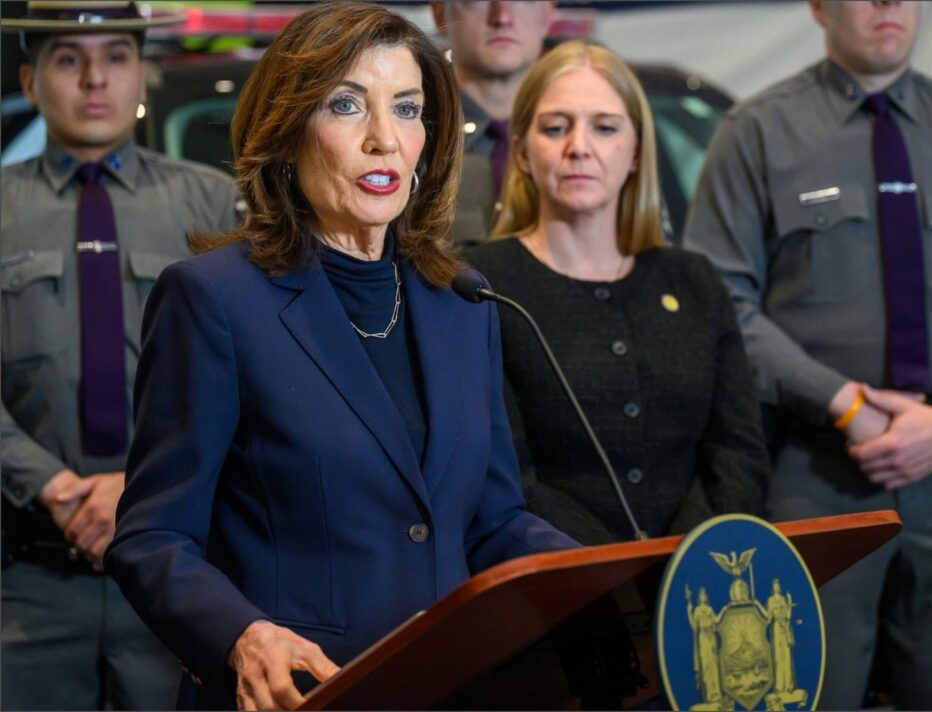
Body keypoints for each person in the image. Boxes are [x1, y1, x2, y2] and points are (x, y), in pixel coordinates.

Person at [103, 4, 577, 710]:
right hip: (303, 693)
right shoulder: (214, 300)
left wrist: (594, 575)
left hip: (450, 687)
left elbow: (491, 522)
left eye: (408, 109)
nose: (384, 139)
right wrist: (241, 635)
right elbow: (152, 539)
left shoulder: (461, 303)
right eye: (347, 105)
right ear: (289, 129)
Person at [682, 2, 932, 709]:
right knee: (802, 691)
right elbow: (721, 301)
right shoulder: (757, 133)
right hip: (814, 471)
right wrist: (844, 404)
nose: (888, 4)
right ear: (819, 8)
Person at [0, 2, 241, 709]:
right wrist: (51, 485)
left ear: (143, 75)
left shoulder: (213, 207)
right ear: (32, 80)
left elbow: (246, 378)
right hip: (26, 583)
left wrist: (135, 487)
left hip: (180, 578)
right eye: (69, 60)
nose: (94, 80)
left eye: (115, 57)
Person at [466, 40, 768, 546]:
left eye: (604, 127)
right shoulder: (481, 287)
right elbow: (508, 477)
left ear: (635, 152)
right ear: (521, 151)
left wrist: (684, 562)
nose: (579, 147)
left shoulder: (693, 281)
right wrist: (618, 572)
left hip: (695, 592)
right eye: (556, 127)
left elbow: (738, 455)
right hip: (558, 593)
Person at [431, 0, 553, 246]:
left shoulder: (595, 144)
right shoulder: (408, 139)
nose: (502, 17)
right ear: (440, 13)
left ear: (547, 14)